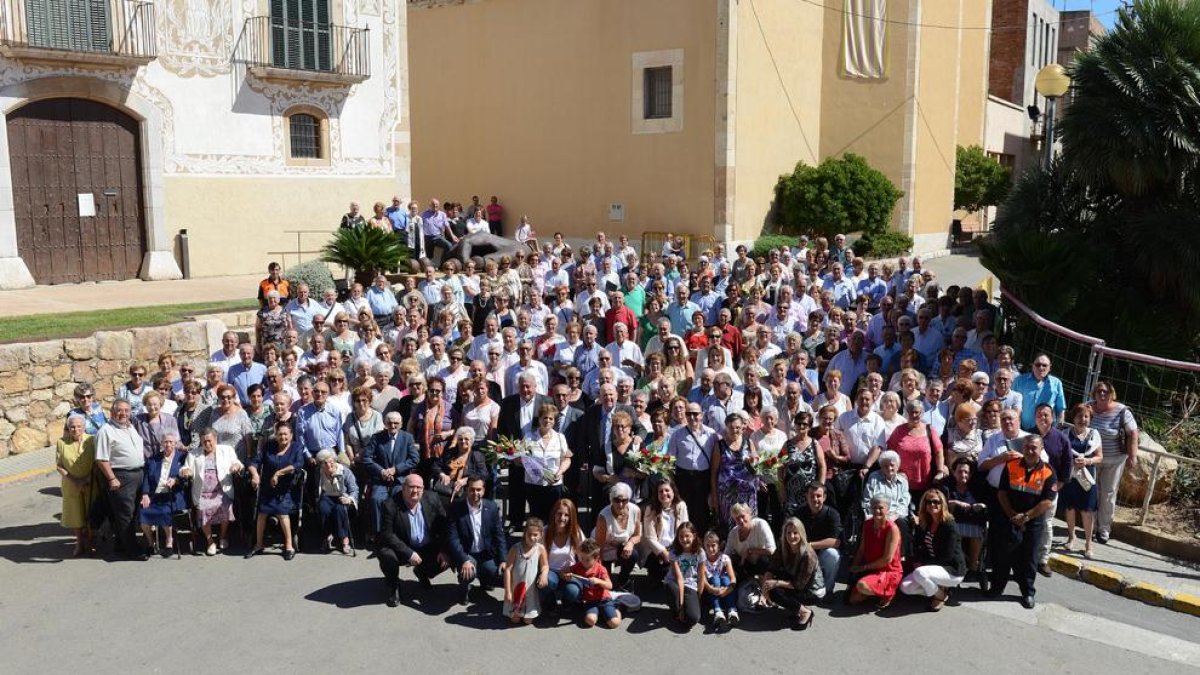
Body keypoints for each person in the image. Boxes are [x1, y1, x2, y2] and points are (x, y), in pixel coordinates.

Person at [987, 435, 1056, 609]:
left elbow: (1047, 502)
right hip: (1009, 519)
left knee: (1029, 559)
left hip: (1032, 523)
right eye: (1027, 447)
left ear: (1041, 450)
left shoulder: (1049, 472)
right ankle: (996, 588)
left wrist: (1025, 517)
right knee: (1002, 556)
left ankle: (1028, 593)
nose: (1030, 451)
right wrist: (1012, 515)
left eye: (1034, 448)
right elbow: (1001, 494)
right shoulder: (1011, 466)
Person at [377, 474, 450, 607]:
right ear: (403, 488)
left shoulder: (432, 498)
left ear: (423, 489)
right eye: (411, 487)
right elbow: (387, 534)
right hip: (401, 546)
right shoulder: (390, 505)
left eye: (419, 487)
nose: (415, 491)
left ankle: (422, 572)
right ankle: (394, 587)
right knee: (386, 555)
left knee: (450, 555)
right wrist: (408, 552)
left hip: (426, 546)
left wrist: (443, 550)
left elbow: (445, 526)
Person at [245, 421, 304, 560]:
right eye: (280, 434)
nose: (282, 437)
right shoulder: (269, 446)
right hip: (268, 487)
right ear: (276, 435)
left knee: (281, 512)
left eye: (285, 434)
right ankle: (259, 544)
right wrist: (254, 474)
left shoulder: (296, 447)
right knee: (261, 513)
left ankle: (289, 545)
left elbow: (297, 465)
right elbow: (254, 462)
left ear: (291, 435)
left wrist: (278, 473)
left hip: (288, 488)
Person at [94, 400, 145, 559]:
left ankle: (121, 544)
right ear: (112, 412)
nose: (123, 413)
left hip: (137, 474)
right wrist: (112, 478)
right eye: (119, 410)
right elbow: (101, 459)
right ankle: (133, 551)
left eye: (126, 410)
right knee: (125, 515)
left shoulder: (130, 427)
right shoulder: (106, 431)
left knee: (132, 512)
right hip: (121, 476)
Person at [899, 489, 966, 611]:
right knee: (905, 587)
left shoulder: (949, 525)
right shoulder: (926, 523)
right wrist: (918, 560)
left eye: (936, 501)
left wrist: (923, 564)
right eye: (928, 502)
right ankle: (939, 588)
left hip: (951, 570)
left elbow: (947, 557)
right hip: (931, 567)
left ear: (943, 504)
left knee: (920, 573)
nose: (932, 505)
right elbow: (919, 547)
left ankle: (940, 596)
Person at [1089, 380, 1138, 545]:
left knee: (1108, 494)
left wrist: (1132, 456)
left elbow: (1133, 433)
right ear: (1094, 393)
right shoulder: (1088, 408)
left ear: (1112, 394)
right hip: (1093, 459)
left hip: (1114, 459)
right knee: (1092, 492)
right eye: (1099, 391)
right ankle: (1091, 527)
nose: (1102, 394)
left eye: (1106, 392)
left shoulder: (1122, 411)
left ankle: (1103, 530)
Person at [182, 429, 243, 556]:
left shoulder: (226, 450)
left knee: (226, 507)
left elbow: (237, 462)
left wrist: (236, 466)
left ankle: (223, 536)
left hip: (222, 490)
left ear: (216, 439)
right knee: (203, 509)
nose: (207, 444)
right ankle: (210, 541)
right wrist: (185, 471)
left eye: (209, 441)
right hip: (203, 492)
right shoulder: (194, 454)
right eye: (204, 441)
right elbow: (185, 467)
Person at [448, 474, 506, 605]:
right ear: (466, 490)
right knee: (468, 573)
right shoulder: (457, 509)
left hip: (486, 554)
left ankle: (485, 579)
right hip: (468, 553)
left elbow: (499, 535)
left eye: (479, 489)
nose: (475, 493)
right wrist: (464, 560)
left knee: (502, 576)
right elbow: (453, 539)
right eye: (472, 489)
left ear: (484, 490)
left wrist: (503, 560)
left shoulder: (491, 508)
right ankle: (463, 590)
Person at [361, 412, 420, 535]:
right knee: (376, 499)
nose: (393, 426)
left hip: (400, 480)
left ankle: (397, 533)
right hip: (381, 480)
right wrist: (381, 471)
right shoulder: (377, 437)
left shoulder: (407, 437)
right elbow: (366, 458)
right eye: (390, 423)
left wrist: (396, 469)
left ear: (401, 424)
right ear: (385, 423)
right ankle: (379, 535)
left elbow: (414, 459)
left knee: (398, 500)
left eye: (396, 423)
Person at [761, 518, 824, 629]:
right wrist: (765, 587)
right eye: (788, 533)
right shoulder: (783, 546)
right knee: (770, 582)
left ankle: (805, 612)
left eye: (795, 533)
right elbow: (772, 567)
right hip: (795, 580)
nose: (791, 536)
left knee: (775, 591)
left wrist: (776, 583)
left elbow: (799, 585)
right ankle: (796, 609)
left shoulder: (808, 555)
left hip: (812, 590)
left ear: (801, 533)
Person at [847, 495, 903, 609]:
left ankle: (889, 593)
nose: (877, 511)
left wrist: (863, 568)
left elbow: (887, 559)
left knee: (862, 586)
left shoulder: (892, 529)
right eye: (874, 507)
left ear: (887, 508)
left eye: (880, 508)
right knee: (853, 600)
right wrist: (855, 566)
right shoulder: (867, 524)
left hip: (888, 570)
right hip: (872, 568)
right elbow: (862, 549)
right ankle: (877, 590)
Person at [138, 433, 187, 558]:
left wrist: (176, 480)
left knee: (165, 512)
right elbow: (147, 479)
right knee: (143, 512)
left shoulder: (182, 458)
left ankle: (169, 542)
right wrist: (145, 494)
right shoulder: (154, 459)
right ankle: (151, 543)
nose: (168, 444)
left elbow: (186, 478)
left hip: (173, 495)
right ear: (162, 444)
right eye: (165, 442)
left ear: (175, 444)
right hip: (155, 496)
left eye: (171, 442)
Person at [1063, 403, 1103, 557]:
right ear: (1074, 417)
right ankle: (1071, 538)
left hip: (1087, 477)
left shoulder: (1094, 435)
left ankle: (1088, 543)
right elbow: (1062, 454)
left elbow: (1100, 457)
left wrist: (1087, 461)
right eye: (1080, 416)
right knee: (1070, 508)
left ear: (1090, 419)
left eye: (1086, 416)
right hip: (1071, 476)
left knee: (1087, 511)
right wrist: (1070, 461)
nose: (1083, 419)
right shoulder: (1066, 434)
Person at [887, 399, 946, 499]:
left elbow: (939, 452)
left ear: (922, 413)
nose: (914, 415)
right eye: (911, 412)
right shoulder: (899, 430)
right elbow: (890, 453)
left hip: (927, 484)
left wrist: (940, 472)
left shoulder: (929, 430)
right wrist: (893, 471)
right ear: (906, 413)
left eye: (916, 412)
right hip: (901, 484)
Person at [56, 415, 96, 557]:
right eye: (72, 426)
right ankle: (79, 543)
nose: (75, 429)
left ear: (84, 427)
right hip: (71, 485)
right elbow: (59, 466)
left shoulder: (91, 440)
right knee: (75, 515)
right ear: (68, 428)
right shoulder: (61, 442)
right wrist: (75, 481)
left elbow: (97, 462)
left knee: (91, 514)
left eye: (79, 426)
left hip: (91, 483)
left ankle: (91, 542)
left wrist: (87, 479)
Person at [711, 413, 759, 530]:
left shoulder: (749, 443)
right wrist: (714, 496)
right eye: (731, 427)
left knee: (749, 526)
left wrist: (753, 462)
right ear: (726, 427)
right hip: (727, 495)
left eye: (737, 427)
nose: (734, 430)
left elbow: (756, 466)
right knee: (730, 527)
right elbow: (714, 472)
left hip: (748, 494)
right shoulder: (720, 445)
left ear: (742, 427)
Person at [942, 458, 987, 579]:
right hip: (954, 520)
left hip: (973, 520)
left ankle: (973, 564)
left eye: (966, 472)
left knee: (977, 533)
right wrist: (954, 503)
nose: (963, 475)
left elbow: (985, 503)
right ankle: (958, 563)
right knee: (953, 532)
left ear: (970, 474)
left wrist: (980, 505)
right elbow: (941, 502)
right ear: (954, 472)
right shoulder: (947, 487)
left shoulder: (976, 487)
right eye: (960, 471)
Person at [796, 482, 842, 598]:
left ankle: (828, 589)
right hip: (804, 553)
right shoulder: (799, 513)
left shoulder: (832, 514)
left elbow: (835, 542)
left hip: (822, 553)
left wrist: (809, 545)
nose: (815, 499)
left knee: (833, 555)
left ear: (824, 497)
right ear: (806, 496)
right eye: (811, 496)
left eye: (818, 496)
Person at [594, 481, 642, 590]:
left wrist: (630, 543)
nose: (620, 504)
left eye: (624, 500)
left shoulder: (636, 510)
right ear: (611, 500)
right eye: (617, 500)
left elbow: (637, 535)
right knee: (605, 586)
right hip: (603, 548)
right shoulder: (603, 516)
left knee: (633, 554)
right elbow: (598, 547)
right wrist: (599, 568)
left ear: (628, 500)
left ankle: (623, 580)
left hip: (621, 546)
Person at [564, 538, 621, 628]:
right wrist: (567, 575)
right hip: (590, 601)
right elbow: (566, 571)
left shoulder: (601, 569)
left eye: (587, 560)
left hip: (604, 600)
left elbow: (610, 585)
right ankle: (601, 613)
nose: (583, 562)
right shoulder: (579, 565)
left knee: (614, 623)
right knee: (590, 621)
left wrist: (598, 581)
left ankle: (616, 608)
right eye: (582, 558)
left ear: (596, 558)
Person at [641, 480, 690, 584]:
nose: (664, 494)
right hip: (657, 552)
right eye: (661, 491)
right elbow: (650, 537)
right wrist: (664, 552)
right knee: (660, 576)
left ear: (673, 492)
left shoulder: (681, 506)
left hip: (676, 548)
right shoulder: (651, 509)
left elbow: (685, 530)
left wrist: (676, 551)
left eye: (667, 490)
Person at [541, 498, 585, 611]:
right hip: (550, 571)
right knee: (548, 581)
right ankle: (550, 601)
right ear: (554, 514)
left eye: (566, 515)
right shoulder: (545, 531)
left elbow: (585, 556)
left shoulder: (576, 532)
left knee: (573, 591)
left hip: (569, 571)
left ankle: (568, 601)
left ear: (571, 517)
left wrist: (574, 570)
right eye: (559, 514)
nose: (562, 518)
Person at [503, 518, 549, 624]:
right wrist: (508, 591)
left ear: (541, 534)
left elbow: (545, 565)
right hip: (516, 586)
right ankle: (515, 609)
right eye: (529, 535)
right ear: (525, 533)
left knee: (528, 620)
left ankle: (528, 610)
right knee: (515, 620)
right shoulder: (516, 548)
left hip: (530, 589)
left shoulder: (540, 549)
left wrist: (544, 574)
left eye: (535, 535)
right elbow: (508, 569)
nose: (532, 538)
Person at [313, 448, 358, 555]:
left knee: (339, 509)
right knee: (323, 508)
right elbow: (317, 489)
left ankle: (345, 540)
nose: (329, 465)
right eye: (325, 463)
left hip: (342, 496)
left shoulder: (345, 471)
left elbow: (354, 489)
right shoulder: (318, 472)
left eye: (331, 462)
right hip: (327, 496)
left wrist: (349, 499)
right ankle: (327, 536)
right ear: (321, 464)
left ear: (335, 460)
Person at [1012, 353, 1066, 431]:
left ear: (1050, 367)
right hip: (1021, 429)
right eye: (1038, 365)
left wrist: (1058, 429)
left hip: (1046, 431)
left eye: (1044, 365)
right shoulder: (1019, 381)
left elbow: (1060, 409)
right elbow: (1012, 404)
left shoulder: (1056, 383)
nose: (1041, 367)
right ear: (1032, 366)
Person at [667, 522, 704, 628]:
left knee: (693, 618)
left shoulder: (700, 552)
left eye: (687, 536)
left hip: (691, 584)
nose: (684, 539)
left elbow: (701, 577)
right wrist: (681, 607)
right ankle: (676, 610)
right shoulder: (674, 553)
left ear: (694, 536)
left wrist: (698, 598)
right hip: (676, 583)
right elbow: (679, 579)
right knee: (672, 589)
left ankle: (683, 608)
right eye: (681, 537)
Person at [701, 529, 740, 629]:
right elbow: (703, 580)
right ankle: (718, 612)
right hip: (711, 592)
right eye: (707, 546)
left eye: (713, 545)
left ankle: (732, 611)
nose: (710, 549)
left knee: (726, 579)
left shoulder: (725, 558)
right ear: (704, 547)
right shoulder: (702, 560)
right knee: (715, 578)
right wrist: (712, 589)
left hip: (726, 590)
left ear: (719, 546)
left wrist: (729, 589)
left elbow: (733, 578)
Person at [724, 503, 776, 577]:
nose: (741, 520)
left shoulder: (761, 524)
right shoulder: (733, 533)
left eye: (743, 516)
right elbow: (726, 555)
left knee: (763, 561)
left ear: (749, 514)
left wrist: (750, 551)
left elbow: (772, 550)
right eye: (737, 518)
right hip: (745, 565)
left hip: (762, 563)